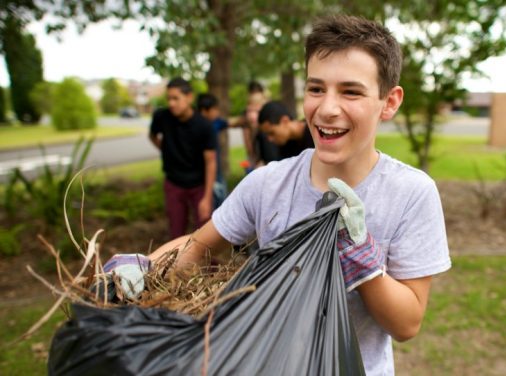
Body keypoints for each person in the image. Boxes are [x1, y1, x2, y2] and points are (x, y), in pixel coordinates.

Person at [108, 15, 450, 375]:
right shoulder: (268, 184)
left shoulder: (411, 193)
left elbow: (407, 324)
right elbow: (198, 246)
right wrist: (144, 270)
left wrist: (362, 261)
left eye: (351, 91)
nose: (327, 108)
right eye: (316, 89)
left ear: (389, 101)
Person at [148, 77, 218, 240]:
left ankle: (207, 266)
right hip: (174, 183)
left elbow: (211, 162)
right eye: (169, 98)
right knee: (176, 232)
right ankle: (177, 265)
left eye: (176, 98)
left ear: (189, 97)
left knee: (204, 234)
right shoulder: (162, 117)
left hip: (198, 185)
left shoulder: (204, 126)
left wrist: (207, 198)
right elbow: (152, 135)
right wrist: (166, 150)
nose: (171, 103)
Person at [197, 93, 228, 209]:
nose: (218, 112)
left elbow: (229, 122)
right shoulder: (200, 126)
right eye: (215, 109)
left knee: (221, 202)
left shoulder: (216, 122)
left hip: (217, 171)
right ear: (205, 110)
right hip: (204, 173)